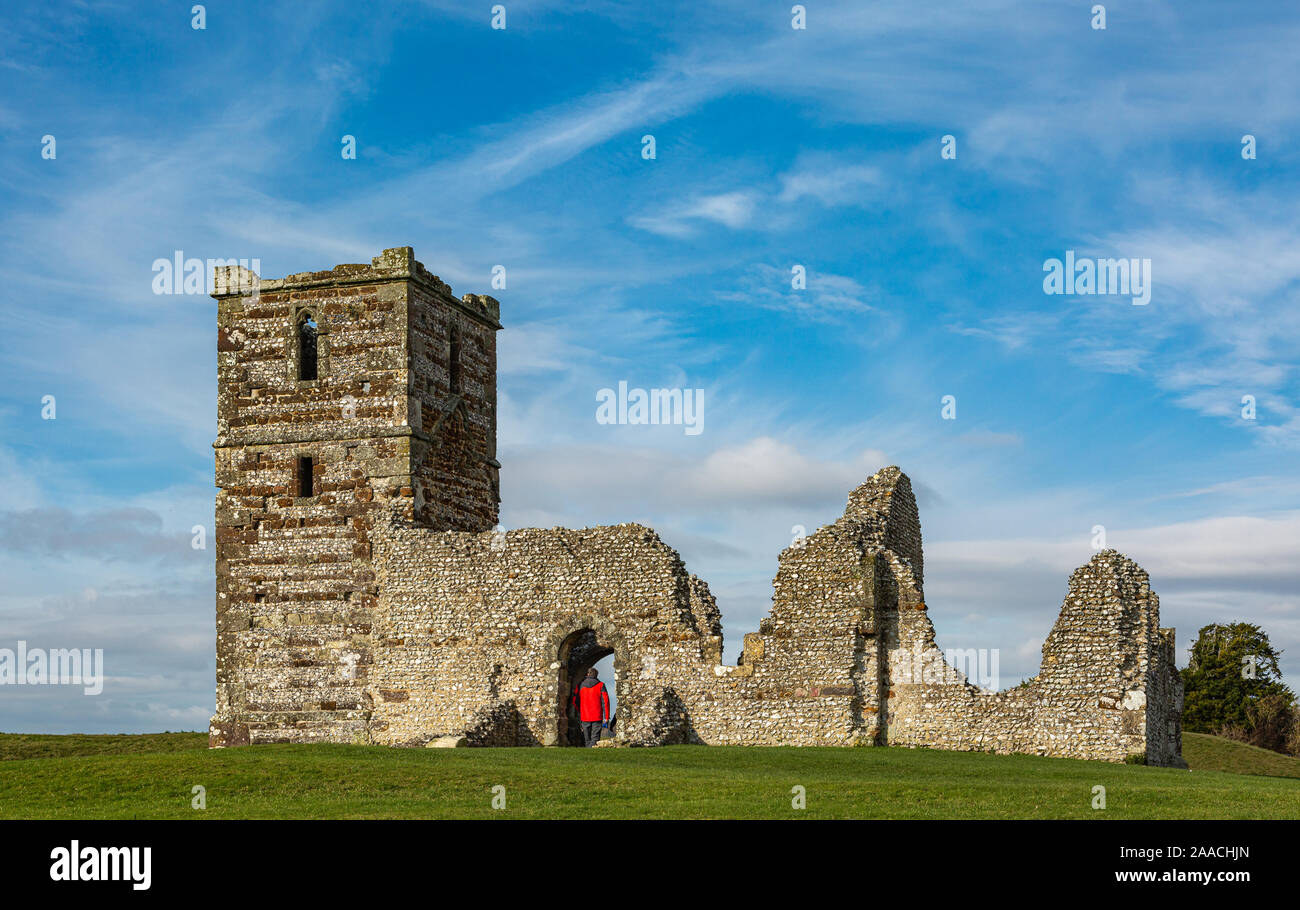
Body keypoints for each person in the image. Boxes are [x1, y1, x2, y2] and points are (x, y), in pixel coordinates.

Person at [571, 667, 610, 747]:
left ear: (587, 674)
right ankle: (593, 753)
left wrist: (580, 710)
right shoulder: (601, 685)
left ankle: (588, 752)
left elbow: (575, 701)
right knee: (595, 739)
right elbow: (605, 702)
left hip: (584, 716)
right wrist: (606, 717)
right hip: (597, 716)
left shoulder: (580, 685)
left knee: (587, 739)